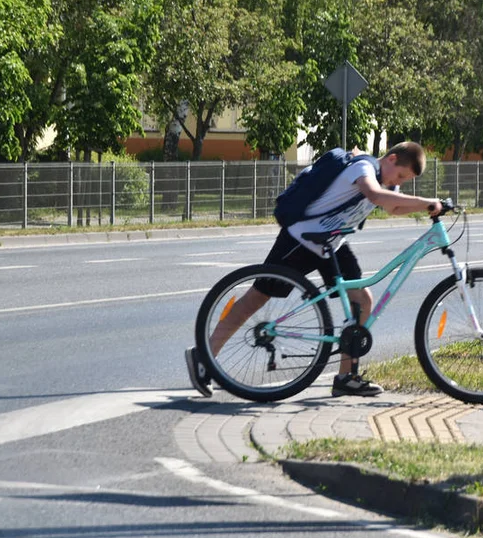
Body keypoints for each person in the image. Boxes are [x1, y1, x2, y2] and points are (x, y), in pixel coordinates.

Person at [185, 141, 443, 398]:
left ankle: (346, 377)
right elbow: (374, 196)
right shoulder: (363, 167)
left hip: (331, 242)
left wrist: (431, 205)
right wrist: (424, 200)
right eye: (400, 175)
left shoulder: (387, 183)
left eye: (404, 180)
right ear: (391, 158)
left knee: (362, 299)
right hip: (301, 239)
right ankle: (205, 355)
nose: (398, 182)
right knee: (257, 297)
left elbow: (392, 207)